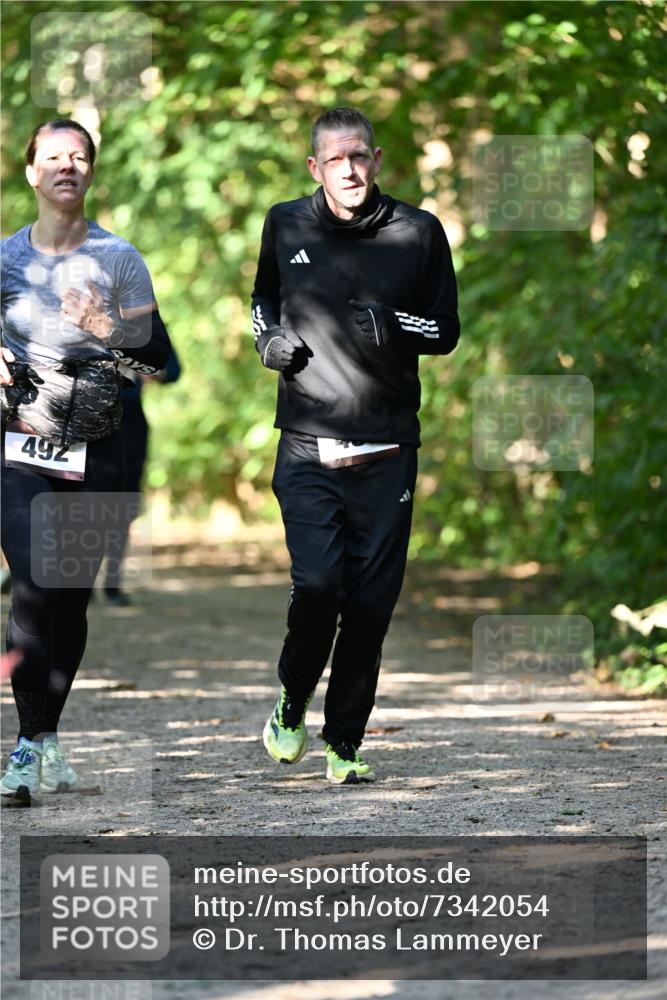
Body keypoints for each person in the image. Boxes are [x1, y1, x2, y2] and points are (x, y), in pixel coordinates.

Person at [251, 107, 460, 784]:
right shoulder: (285, 222)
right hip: (308, 446)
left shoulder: (417, 232)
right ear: (314, 167)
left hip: (387, 449)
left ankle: (343, 745)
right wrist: (268, 342)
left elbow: (446, 330)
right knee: (317, 585)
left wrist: (392, 323)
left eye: (360, 156)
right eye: (335, 159)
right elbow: (262, 299)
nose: (349, 169)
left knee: (369, 607)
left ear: (377, 160)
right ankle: (291, 695)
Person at [0, 119, 171, 804]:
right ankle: (21, 748)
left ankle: (45, 740)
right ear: (32, 173)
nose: (66, 166)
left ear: (91, 173)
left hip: (101, 449)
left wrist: (108, 330)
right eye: (53, 157)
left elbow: (155, 360)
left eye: (78, 156)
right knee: (35, 578)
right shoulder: (5, 259)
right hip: (19, 447)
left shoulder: (120, 259)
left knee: (69, 603)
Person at [100, 348, 181, 607]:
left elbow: (173, 371)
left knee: (125, 503)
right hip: (87, 414)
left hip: (131, 416)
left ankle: (112, 581)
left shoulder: (145, 322)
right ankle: (79, 581)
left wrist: (144, 369)